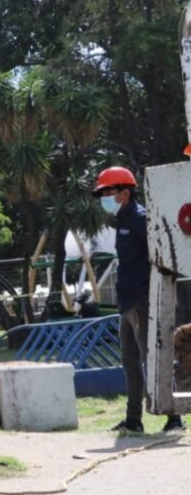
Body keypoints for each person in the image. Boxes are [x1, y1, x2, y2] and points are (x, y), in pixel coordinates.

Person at [92, 166, 183, 432]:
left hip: (143, 300)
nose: (104, 198)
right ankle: (134, 420)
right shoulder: (122, 220)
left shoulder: (141, 219)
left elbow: (161, 258)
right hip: (127, 302)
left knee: (154, 359)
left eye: (107, 192)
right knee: (130, 363)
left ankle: (174, 417)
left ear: (124, 192)